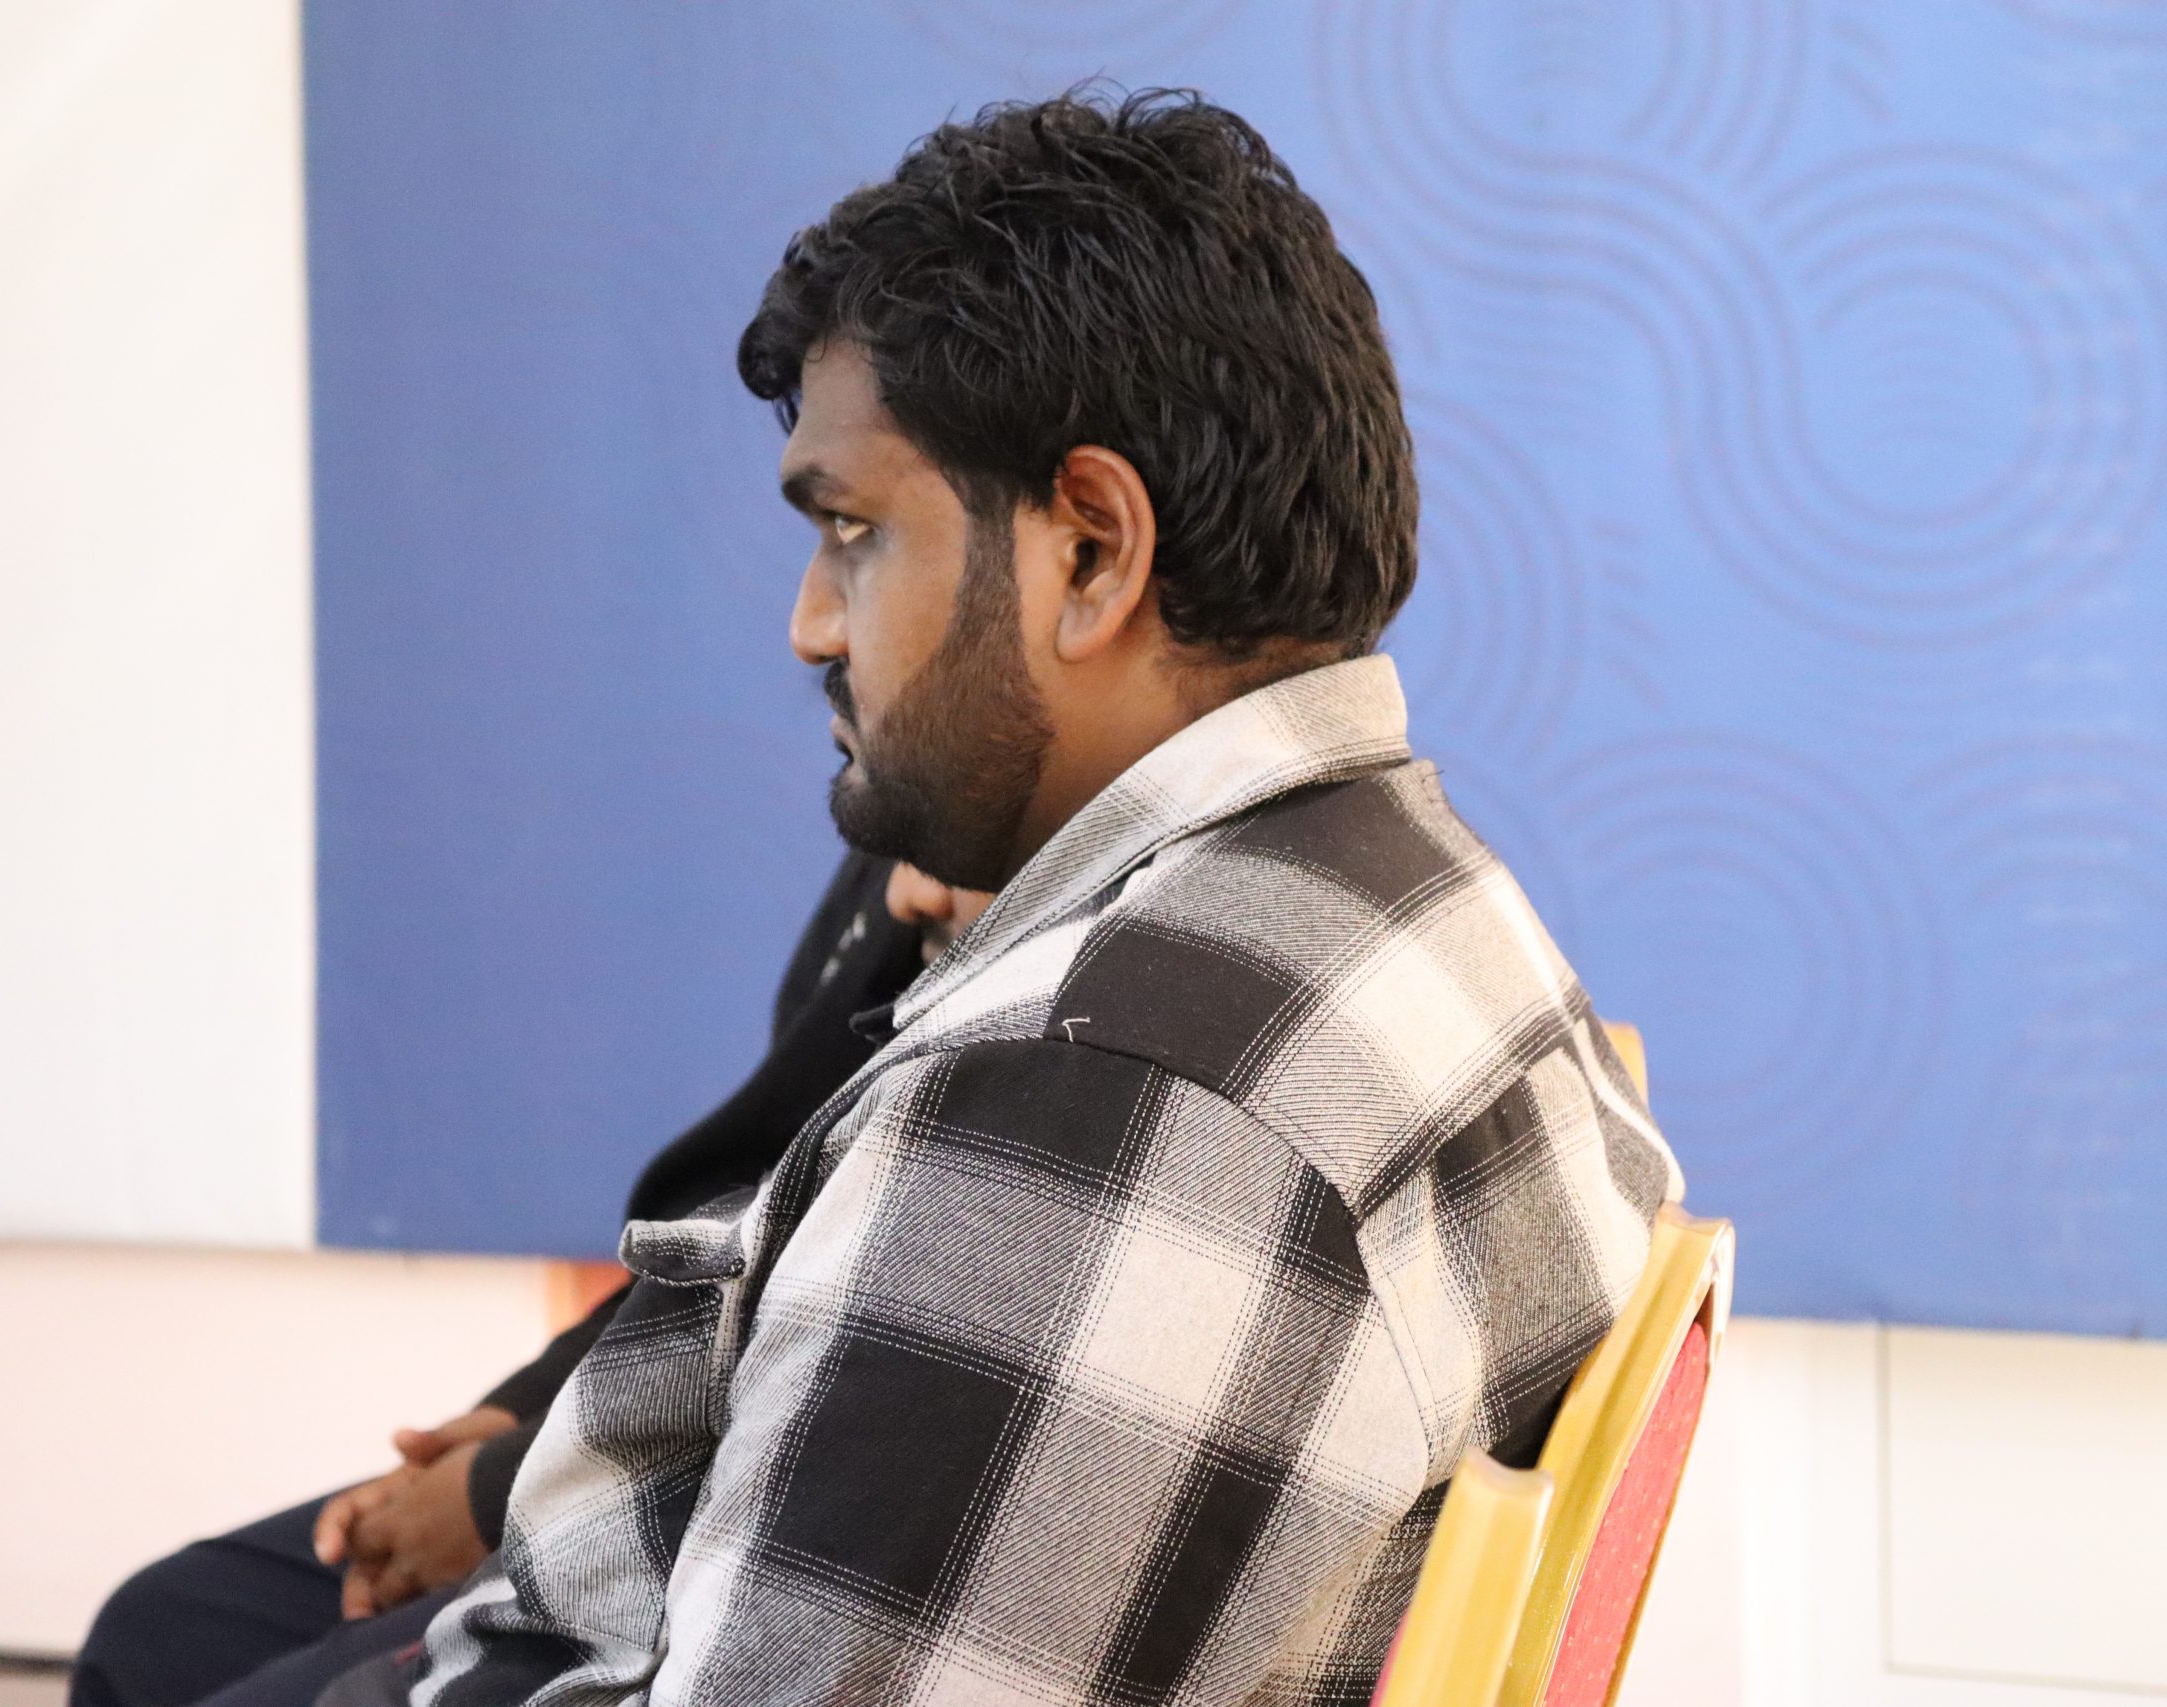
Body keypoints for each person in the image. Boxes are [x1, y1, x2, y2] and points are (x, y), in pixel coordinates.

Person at [366, 87, 1679, 1707]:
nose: (811, 623)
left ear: (1092, 551)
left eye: (855, 530)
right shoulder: (1410, 888)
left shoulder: (1094, 1096)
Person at [69, 853, 989, 1707]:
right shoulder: (901, 840)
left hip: (720, 1527)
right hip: (620, 1443)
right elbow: (726, 1243)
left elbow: (829, 1357)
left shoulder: (1022, 1018)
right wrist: (516, 1417)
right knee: (150, 1637)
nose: (906, 892)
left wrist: (499, 1490)